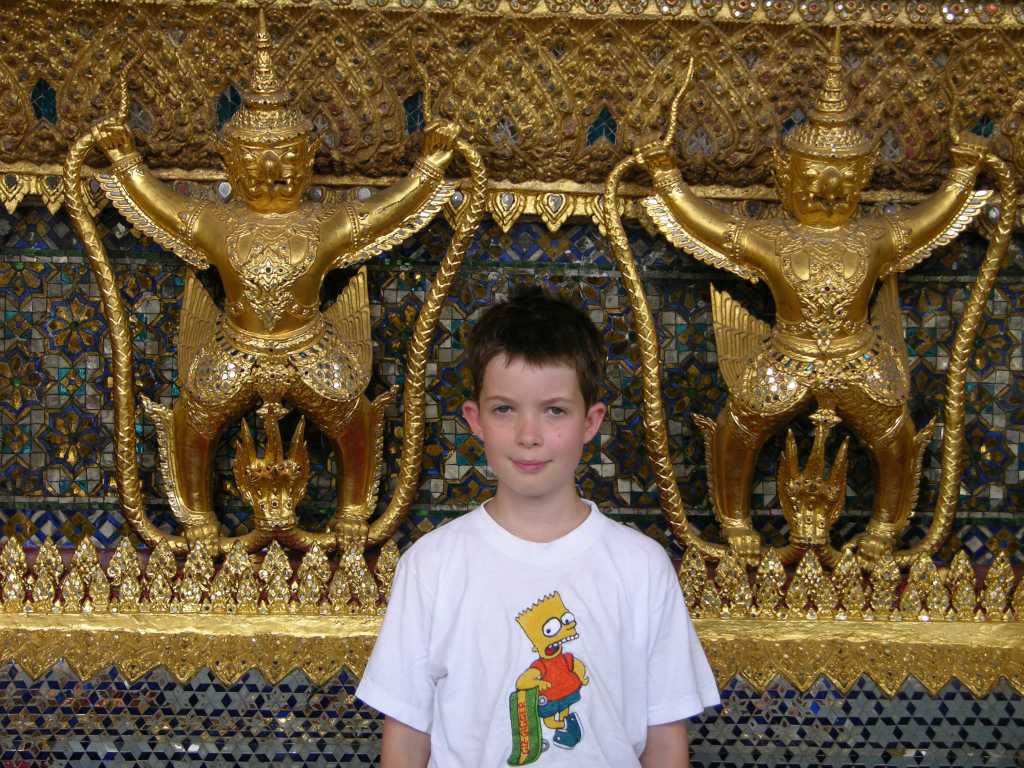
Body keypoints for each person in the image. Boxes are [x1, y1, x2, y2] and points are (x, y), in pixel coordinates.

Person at [356, 287, 720, 767]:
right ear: (475, 418)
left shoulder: (641, 567)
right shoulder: (432, 565)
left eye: (554, 411)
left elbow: (665, 740)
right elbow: (405, 739)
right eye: (505, 409)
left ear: (590, 421)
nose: (529, 436)